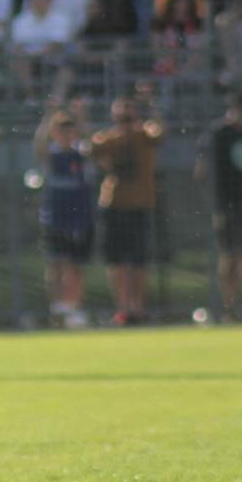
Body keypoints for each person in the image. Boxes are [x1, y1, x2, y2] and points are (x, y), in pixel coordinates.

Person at [194, 93, 242, 322]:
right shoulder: (218, 134)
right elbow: (202, 170)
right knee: (228, 256)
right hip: (226, 203)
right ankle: (229, 308)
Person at [91, 95, 164, 326]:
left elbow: (159, 132)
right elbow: (92, 147)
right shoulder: (108, 138)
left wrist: (151, 108)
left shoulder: (145, 134)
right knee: (116, 261)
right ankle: (122, 308)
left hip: (140, 204)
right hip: (114, 205)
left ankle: (138, 307)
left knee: (139, 260)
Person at [34, 98, 95, 328]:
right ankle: (57, 307)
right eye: (62, 129)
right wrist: (48, 116)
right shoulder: (51, 154)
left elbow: (90, 142)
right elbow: (39, 145)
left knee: (76, 266)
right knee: (55, 264)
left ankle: (73, 307)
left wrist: (82, 118)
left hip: (80, 217)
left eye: (71, 129)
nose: (67, 134)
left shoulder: (82, 153)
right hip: (55, 217)